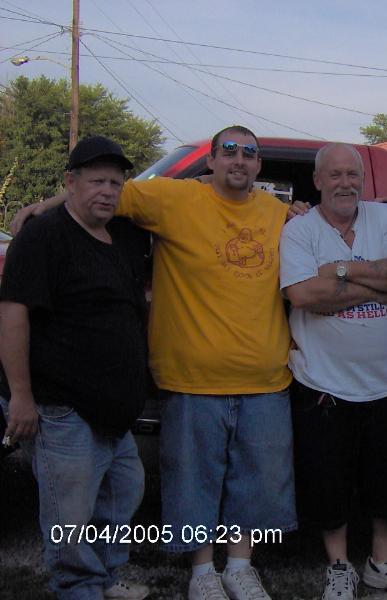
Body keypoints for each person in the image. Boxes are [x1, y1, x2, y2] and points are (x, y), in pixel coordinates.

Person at [13, 126, 296, 600]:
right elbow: (103, 194)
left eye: (249, 153)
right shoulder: (171, 197)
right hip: (190, 378)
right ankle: (201, 573)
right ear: (211, 160)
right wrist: (40, 208)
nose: (239, 160)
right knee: (192, 484)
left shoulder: (278, 212)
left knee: (256, 485)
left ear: (259, 165)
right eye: (229, 151)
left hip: (266, 378)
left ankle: (240, 568)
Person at [0, 136, 150, 600]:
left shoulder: (122, 236)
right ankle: (77, 585)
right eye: (96, 181)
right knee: (70, 512)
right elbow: (13, 314)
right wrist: (21, 396)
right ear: (70, 182)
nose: (107, 191)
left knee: (123, 491)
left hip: (113, 410)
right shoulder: (43, 236)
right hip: (61, 406)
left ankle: (105, 575)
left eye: (115, 183)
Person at [280, 143, 387, 600]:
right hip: (321, 383)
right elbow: (303, 295)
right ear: (318, 181)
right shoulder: (300, 230)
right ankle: (339, 566)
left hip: (385, 383)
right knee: (328, 482)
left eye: (353, 174)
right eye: (336, 175)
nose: (345, 183)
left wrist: (341, 270)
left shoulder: (385, 219)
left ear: (363, 180)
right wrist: (378, 289)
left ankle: (381, 562)